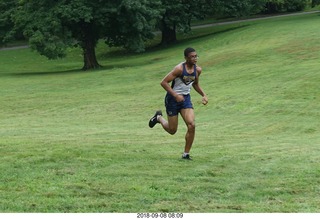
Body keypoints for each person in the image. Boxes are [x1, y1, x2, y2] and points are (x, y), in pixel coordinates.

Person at [149, 47, 208, 160]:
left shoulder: (198, 70)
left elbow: (195, 84)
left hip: (185, 99)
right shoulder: (179, 69)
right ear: (186, 58)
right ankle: (159, 118)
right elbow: (164, 82)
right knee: (172, 130)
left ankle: (186, 154)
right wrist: (175, 95)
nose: (195, 58)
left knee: (192, 125)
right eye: (192, 56)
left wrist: (204, 95)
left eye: (196, 56)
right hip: (172, 99)